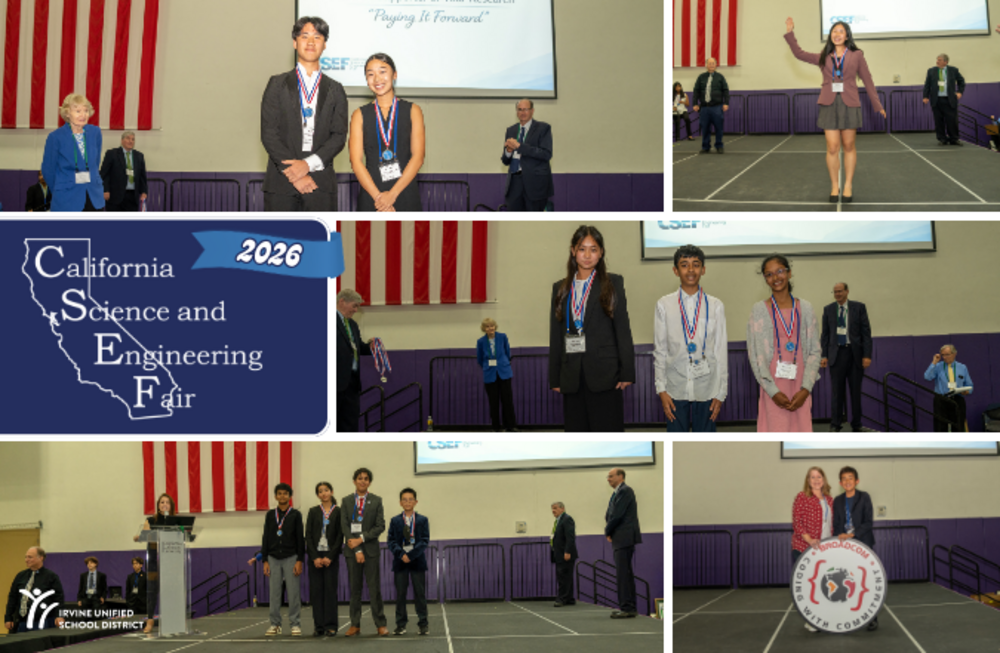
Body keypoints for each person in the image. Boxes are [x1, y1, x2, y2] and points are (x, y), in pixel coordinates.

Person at [784, 18, 885, 203]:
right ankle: (834, 185)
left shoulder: (857, 55)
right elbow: (799, 54)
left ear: (847, 35)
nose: (837, 34)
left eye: (840, 31)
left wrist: (877, 104)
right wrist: (790, 33)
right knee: (832, 147)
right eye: (834, 31)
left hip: (850, 103)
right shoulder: (825, 56)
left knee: (848, 146)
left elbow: (867, 79)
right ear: (830, 35)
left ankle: (847, 185)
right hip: (828, 103)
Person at [549, 225, 635, 432]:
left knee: (608, 430)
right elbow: (556, 334)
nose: (587, 255)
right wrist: (555, 377)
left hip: (606, 375)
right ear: (573, 251)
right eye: (582, 248)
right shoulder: (560, 288)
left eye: (593, 249)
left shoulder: (613, 282)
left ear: (601, 252)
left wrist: (627, 373)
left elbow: (622, 329)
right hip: (572, 375)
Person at [261, 16, 349, 212]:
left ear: (324, 44)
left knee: (318, 242)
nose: (310, 42)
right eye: (305, 36)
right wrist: (295, 174)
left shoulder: (336, 89)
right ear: (295, 42)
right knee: (279, 242)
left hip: (320, 186)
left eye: (317, 37)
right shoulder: (276, 84)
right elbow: (269, 134)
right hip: (280, 184)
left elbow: (339, 136)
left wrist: (307, 165)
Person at [654, 244, 728, 432]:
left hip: (707, 388)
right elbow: (660, 350)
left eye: (695, 264)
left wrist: (721, 392)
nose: (690, 269)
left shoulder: (715, 305)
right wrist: (661, 389)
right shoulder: (664, 305)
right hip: (675, 388)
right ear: (675, 270)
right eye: (684, 264)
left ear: (703, 269)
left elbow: (721, 351)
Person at [747, 255, 821, 433]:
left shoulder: (806, 308)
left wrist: (806, 389)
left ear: (789, 273)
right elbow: (755, 355)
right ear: (765, 279)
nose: (775, 278)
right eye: (769, 274)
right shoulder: (759, 310)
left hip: (800, 385)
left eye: (780, 271)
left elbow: (815, 351)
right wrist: (772, 391)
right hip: (773, 385)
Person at [350, 53, 424, 212]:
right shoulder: (359, 115)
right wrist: (379, 198)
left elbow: (418, 157)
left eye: (382, 71)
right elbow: (356, 162)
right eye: (371, 74)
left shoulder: (412, 110)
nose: (377, 79)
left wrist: (392, 195)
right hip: (372, 196)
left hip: (405, 192)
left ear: (394, 75)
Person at [341, 468, 388, 637]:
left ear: (369, 482)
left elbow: (380, 526)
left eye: (366, 479)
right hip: (352, 551)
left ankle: (380, 624)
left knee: (374, 588)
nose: (363, 481)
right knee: (355, 589)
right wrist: (357, 548)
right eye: (359, 478)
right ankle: (355, 624)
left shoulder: (376, 501)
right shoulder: (346, 501)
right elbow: (345, 527)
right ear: (354, 481)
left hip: (371, 551)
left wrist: (361, 539)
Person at [820, 283, 872, 432]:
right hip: (836, 355)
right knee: (837, 392)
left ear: (847, 291)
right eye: (835, 292)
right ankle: (835, 424)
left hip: (855, 355)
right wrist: (824, 355)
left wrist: (867, 355)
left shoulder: (859, 307)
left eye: (840, 291)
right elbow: (825, 335)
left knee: (855, 392)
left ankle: (856, 424)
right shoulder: (828, 309)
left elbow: (866, 334)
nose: (837, 294)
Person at [41, 94, 105, 211]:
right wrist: (62, 187)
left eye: (86, 110)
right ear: (67, 113)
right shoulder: (55, 137)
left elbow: (95, 163)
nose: (83, 115)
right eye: (78, 111)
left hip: (94, 196)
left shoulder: (95, 132)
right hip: (66, 198)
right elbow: (48, 170)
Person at [832, 466, 877, 631]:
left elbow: (868, 522)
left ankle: (872, 617)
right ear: (840, 483)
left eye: (850, 478)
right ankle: (849, 613)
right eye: (844, 479)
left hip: (863, 543)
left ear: (856, 481)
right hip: (844, 545)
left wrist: (853, 534)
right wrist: (840, 537)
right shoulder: (837, 500)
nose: (847, 481)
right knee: (847, 580)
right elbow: (836, 524)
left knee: (866, 581)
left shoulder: (864, 497)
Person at [792, 466, 834, 632]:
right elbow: (797, 522)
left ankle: (822, 615)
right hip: (804, 548)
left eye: (819, 477)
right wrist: (809, 539)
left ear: (823, 479)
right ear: (808, 481)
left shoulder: (830, 499)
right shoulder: (802, 497)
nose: (816, 480)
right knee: (809, 585)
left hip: (824, 549)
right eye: (812, 477)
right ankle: (811, 619)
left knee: (823, 584)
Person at [262, 483, 305, 637]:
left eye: (285, 494)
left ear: (289, 496)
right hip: (273, 558)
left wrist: (300, 560)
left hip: (291, 557)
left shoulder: (295, 515)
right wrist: (265, 560)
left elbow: (300, 539)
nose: (282, 496)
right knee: (274, 593)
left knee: (293, 592)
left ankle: (295, 624)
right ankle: (275, 624)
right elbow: (265, 537)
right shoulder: (269, 515)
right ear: (275, 496)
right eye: (279, 493)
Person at [387, 488, 430, 636]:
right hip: (400, 562)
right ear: (400, 503)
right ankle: (400, 624)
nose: (407, 502)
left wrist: (411, 555)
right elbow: (391, 541)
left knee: (420, 594)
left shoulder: (423, 520)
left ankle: (423, 624)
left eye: (410, 499)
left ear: (416, 502)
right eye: (404, 499)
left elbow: (424, 541)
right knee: (400, 595)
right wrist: (401, 554)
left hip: (417, 561)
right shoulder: (395, 521)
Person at [134, 492, 176, 634]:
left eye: (167, 502)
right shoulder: (150, 520)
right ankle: (150, 620)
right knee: (152, 591)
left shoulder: (175, 521)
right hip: (153, 561)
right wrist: (138, 537)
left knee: (169, 591)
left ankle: (171, 620)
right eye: (162, 502)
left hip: (169, 560)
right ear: (158, 506)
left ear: (171, 506)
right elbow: (144, 536)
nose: (164, 504)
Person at [501, 99, 554, 211]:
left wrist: (520, 146)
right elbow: (505, 161)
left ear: (532, 111)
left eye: (526, 109)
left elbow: (546, 154)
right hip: (514, 183)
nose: (522, 112)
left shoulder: (543, 128)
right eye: (520, 109)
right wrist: (509, 151)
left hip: (535, 184)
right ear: (516, 112)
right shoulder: (511, 130)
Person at [305, 482, 342, 638]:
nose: (324, 493)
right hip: (316, 559)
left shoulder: (339, 512)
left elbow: (340, 536)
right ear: (318, 495)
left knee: (330, 592)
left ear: (331, 492)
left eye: (326, 490)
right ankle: (318, 626)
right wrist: (315, 557)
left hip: (330, 558)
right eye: (320, 491)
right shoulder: (313, 511)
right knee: (317, 592)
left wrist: (330, 557)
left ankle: (331, 625)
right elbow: (309, 536)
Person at [604, 468, 641, 619]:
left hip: (623, 537)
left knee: (623, 574)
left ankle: (627, 607)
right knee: (625, 573)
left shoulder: (625, 491)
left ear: (621, 477)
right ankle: (629, 607)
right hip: (621, 536)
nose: (608, 479)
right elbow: (610, 514)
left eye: (611, 476)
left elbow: (617, 515)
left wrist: (607, 531)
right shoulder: (617, 492)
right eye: (608, 476)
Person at [4, 547, 66, 633]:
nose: (26, 560)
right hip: (21, 622)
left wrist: (59, 615)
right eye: (26, 557)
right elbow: (12, 597)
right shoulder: (20, 576)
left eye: (30, 557)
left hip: (41, 622)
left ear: (41, 558)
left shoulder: (51, 576)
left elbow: (58, 598)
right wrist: (8, 617)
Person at [337, 288, 372, 433]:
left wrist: (371, 347)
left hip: (352, 383)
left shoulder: (353, 325)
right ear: (342, 301)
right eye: (354, 305)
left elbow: (358, 349)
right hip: (332, 383)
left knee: (350, 424)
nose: (356, 310)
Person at [476, 318, 517, 432]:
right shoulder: (480, 341)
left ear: (495, 326)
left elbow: (507, 352)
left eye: (492, 326)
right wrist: (488, 366)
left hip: (504, 372)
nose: (490, 328)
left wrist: (503, 363)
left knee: (507, 400)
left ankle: (510, 426)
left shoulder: (502, 337)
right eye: (488, 326)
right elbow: (479, 358)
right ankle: (496, 427)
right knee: (493, 402)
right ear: (484, 329)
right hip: (490, 373)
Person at [924, 344, 973, 432]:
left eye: (947, 354)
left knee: (958, 425)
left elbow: (969, 385)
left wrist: (967, 391)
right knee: (940, 426)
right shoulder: (938, 366)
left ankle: (958, 445)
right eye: (943, 355)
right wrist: (934, 362)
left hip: (957, 399)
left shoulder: (962, 367)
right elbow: (927, 377)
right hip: (941, 400)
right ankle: (941, 445)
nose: (944, 357)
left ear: (954, 354)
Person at [923, 54, 966, 146]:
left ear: (945, 62)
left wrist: (960, 92)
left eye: (939, 60)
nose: (937, 61)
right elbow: (927, 84)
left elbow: (961, 81)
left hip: (949, 100)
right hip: (936, 100)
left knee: (952, 120)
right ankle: (942, 139)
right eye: (937, 60)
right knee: (939, 121)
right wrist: (925, 96)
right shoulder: (931, 71)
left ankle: (954, 139)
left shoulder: (953, 70)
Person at [100, 131, 148, 211]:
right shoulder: (112, 154)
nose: (130, 141)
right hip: (114, 196)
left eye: (133, 139)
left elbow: (142, 176)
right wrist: (105, 190)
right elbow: (104, 174)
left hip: (132, 196)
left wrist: (144, 191)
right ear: (122, 141)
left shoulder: (139, 156)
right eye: (128, 138)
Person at [691, 58, 730, 154]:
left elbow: (726, 90)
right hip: (704, 108)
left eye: (713, 63)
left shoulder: (720, 77)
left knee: (718, 127)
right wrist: (695, 103)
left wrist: (726, 103)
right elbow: (696, 91)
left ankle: (719, 145)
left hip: (717, 107)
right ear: (706, 65)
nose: (711, 65)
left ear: (716, 65)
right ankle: (705, 147)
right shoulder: (701, 77)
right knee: (705, 128)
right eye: (709, 63)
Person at [550, 501, 577, 607]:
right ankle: (569, 598)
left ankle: (562, 598)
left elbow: (570, 537)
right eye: (552, 509)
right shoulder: (558, 521)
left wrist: (567, 551)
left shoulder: (567, 519)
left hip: (565, 553)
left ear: (562, 509)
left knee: (563, 576)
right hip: (559, 553)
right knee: (566, 576)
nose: (553, 511)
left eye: (555, 508)